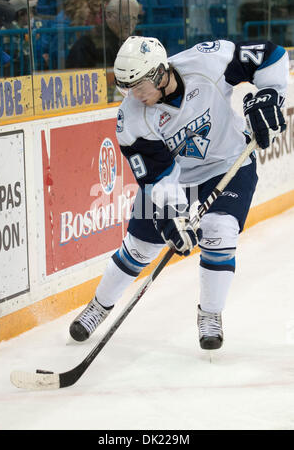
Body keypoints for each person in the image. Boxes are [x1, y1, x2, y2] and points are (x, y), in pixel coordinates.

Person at [69, 36, 288, 350]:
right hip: (176, 177)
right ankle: (99, 306)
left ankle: (210, 315)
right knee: (141, 247)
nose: (132, 94)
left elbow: (271, 54)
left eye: (139, 85)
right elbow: (157, 176)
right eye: (126, 86)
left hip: (227, 163)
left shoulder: (208, 61)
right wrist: (173, 217)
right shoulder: (131, 119)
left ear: (160, 73)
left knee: (219, 231)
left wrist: (271, 95)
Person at [65, 0, 140, 100]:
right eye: (125, 17)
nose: (130, 23)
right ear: (108, 15)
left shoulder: (134, 43)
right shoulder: (88, 44)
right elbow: (76, 85)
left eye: (134, 18)